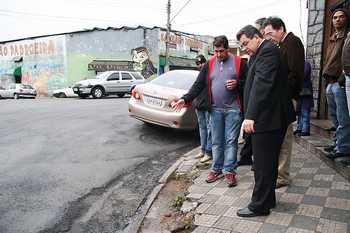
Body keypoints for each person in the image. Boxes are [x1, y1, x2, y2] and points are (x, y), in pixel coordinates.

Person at [172, 35, 248, 187]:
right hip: (215, 109)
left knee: (231, 141)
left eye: (221, 51)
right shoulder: (210, 63)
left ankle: (229, 171)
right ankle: (216, 169)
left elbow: (249, 83)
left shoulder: (240, 63)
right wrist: (185, 98)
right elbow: (198, 84)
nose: (219, 55)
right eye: (216, 51)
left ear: (227, 49)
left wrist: (238, 84)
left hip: (233, 110)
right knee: (216, 142)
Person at [236, 25, 295, 217]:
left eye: (246, 43)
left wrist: (250, 115)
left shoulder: (268, 51)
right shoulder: (260, 52)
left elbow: (262, 84)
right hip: (268, 118)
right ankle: (268, 200)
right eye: (242, 45)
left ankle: (259, 206)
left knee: (262, 165)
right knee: (267, 164)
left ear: (256, 37)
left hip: (268, 119)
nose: (244, 48)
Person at [264, 16, 305, 189]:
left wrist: (282, 93)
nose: (268, 37)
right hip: (281, 98)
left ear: (280, 29)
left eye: (270, 33)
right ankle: (278, 174)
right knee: (279, 137)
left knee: (286, 138)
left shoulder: (293, 42)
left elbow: (295, 74)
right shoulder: (281, 45)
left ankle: (282, 177)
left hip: (287, 98)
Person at [322, 8, 350, 159]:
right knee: (335, 118)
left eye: (341, 17)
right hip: (330, 82)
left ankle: (343, 147)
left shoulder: (347, 37)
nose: (338, 19)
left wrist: (341, 79)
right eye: (335, 17)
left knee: (343, 117)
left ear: (346, 19)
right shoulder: (333, 38)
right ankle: (338, 142)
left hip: (340, 82)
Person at [193, 55, 213, 163]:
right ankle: (203, 150)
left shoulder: (210, 74)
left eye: (201, 63)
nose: (200, 65)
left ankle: (208, 152)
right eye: (197, 64)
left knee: (209, 129)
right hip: (199, 105)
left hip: (208, 106)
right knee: (202, 128)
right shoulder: (198, 75)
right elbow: (195, 89)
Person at [294, 61, 314, 136]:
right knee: (299, 111)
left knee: (305, 111)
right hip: (299, 91)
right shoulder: (298, 64)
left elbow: (304, 74)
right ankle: (299, 128)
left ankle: (305, 129)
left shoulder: (306, 64)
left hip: (305, 90)